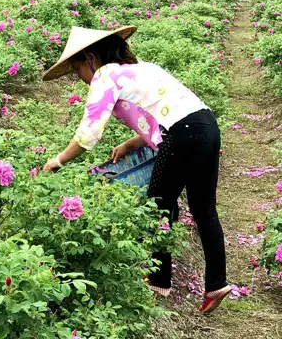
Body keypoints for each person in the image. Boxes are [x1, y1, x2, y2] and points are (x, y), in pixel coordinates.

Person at [41, 26, 231, 313]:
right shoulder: (142, 69)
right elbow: (166, 112)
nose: (79, 78)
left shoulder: (105, 76)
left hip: (183, 135)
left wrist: (57, 161)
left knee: (157, 208)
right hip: (206, 127)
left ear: (91, 58)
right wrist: (131, 144)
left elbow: (89, 133)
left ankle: (158, 281)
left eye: (77, 69)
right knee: (204, 209)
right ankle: (217, 283)